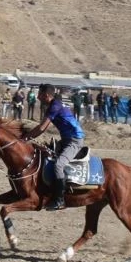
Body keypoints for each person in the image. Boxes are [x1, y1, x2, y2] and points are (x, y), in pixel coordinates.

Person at [22, 83, 85, 211]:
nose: (37, 97)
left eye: (39, 94)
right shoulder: (53, 105)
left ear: (46, 95)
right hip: (65, 140)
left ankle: (60, 200)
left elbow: (42, 128)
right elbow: (42, 127)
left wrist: (25, 138)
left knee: (58, 165)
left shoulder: (55, 105)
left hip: (75, 141)